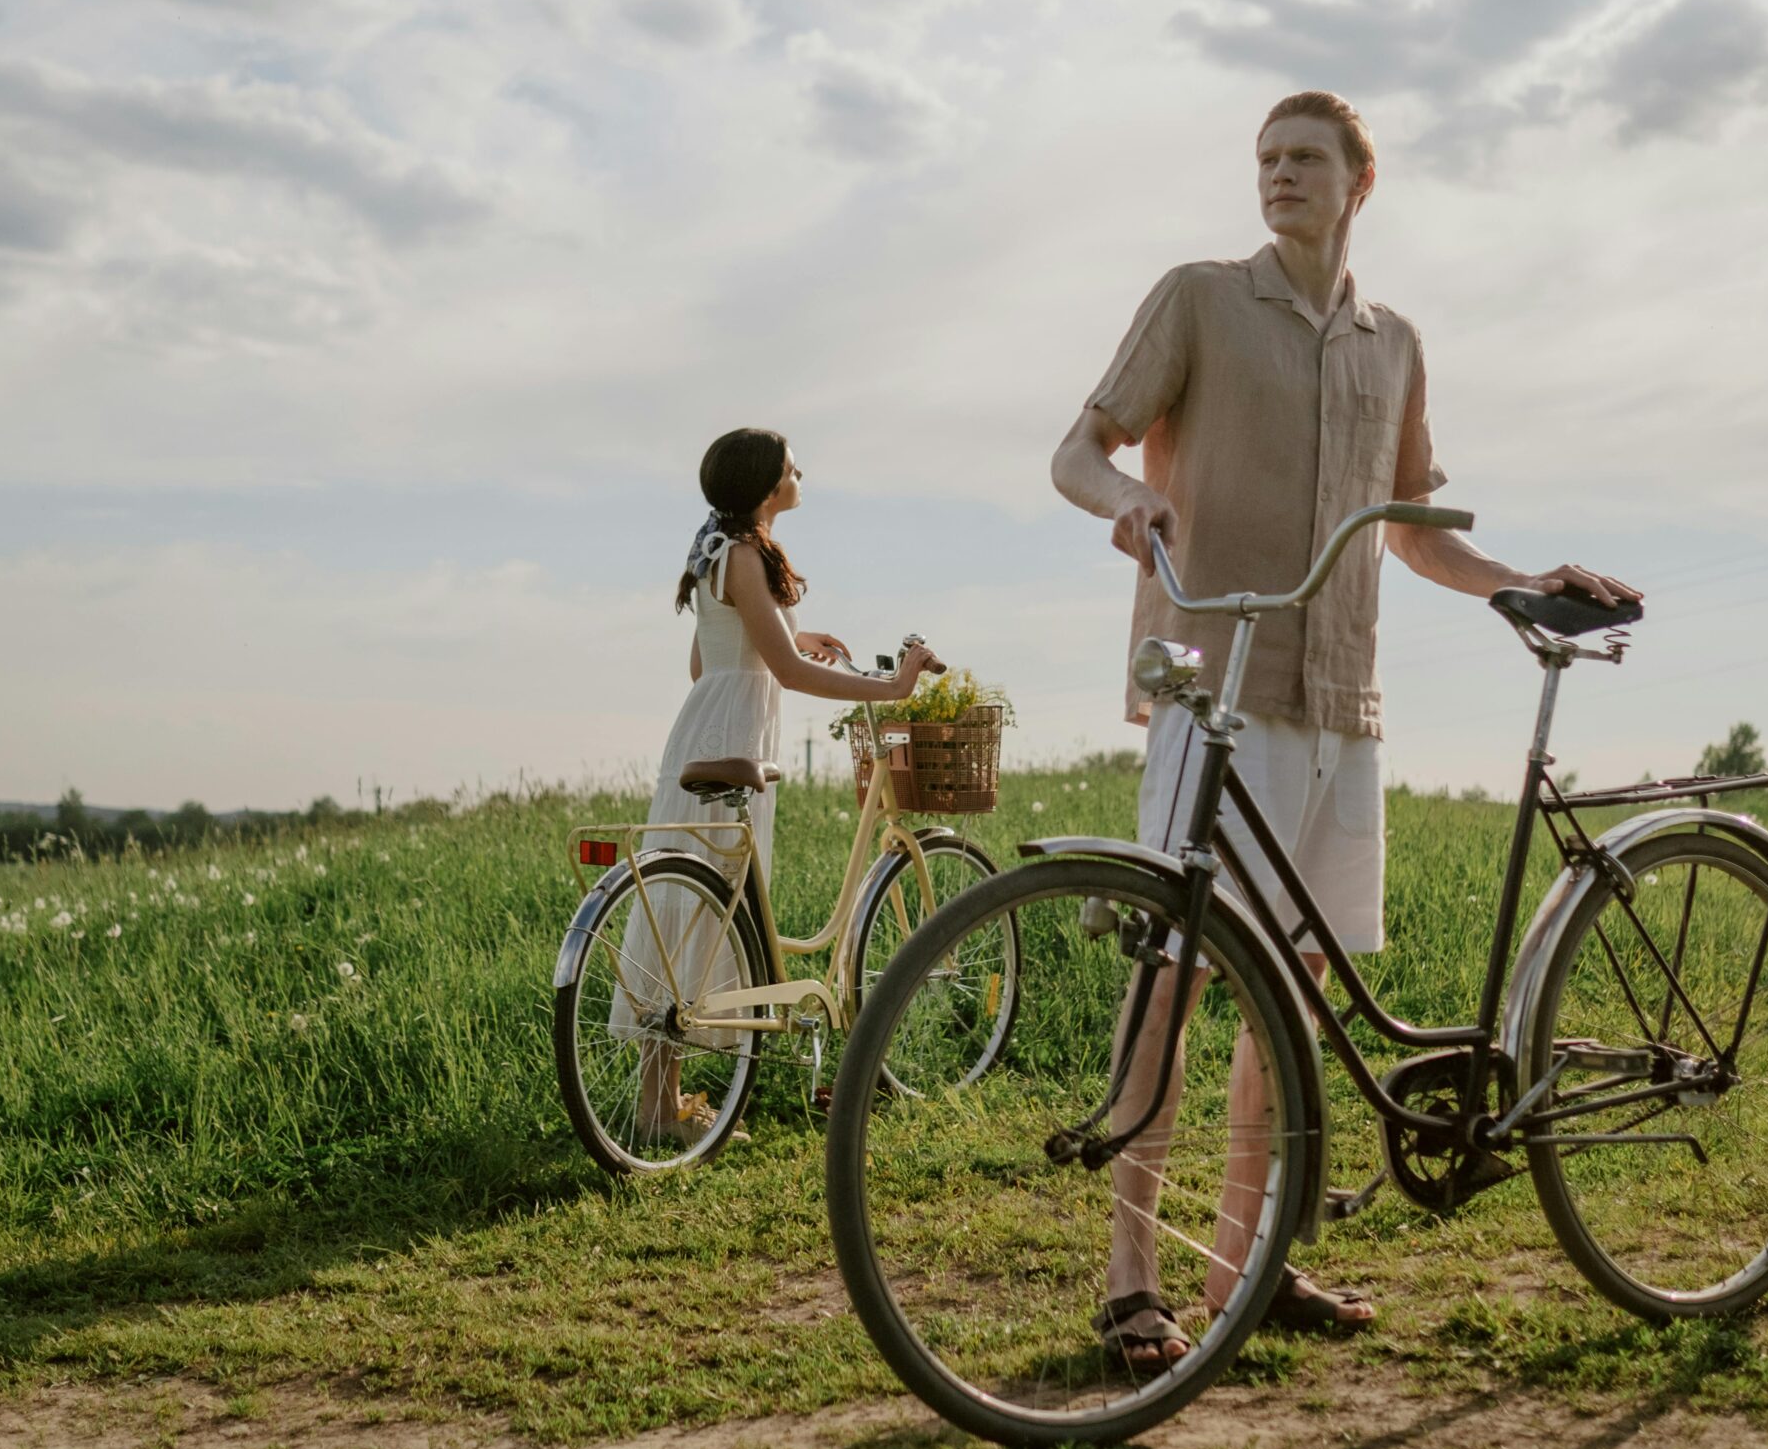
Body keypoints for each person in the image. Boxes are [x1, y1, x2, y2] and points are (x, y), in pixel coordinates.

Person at [1050, 90, 1641, 1367]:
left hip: (1342, 703)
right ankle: (1131, 1278)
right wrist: (1125, 504)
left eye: (1304, 159)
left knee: (1297, 999)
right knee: (1175, 983)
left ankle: (1247, 1266)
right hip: (1216, 693)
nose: (1278, 176)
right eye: (1265, 159)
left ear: (1359, 181)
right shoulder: (1197, 300)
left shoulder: (1394, 342)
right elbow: (1078, 449)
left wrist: (1524, 580)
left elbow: (1419, 532)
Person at [619, 427, 939, 1144]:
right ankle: (658, 1103)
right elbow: (787, 672)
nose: (802, 472)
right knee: (707, 906)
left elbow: (708, 661)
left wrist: (790, 636)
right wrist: (889, 685)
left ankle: (657, 1100)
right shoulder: (743, 555)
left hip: (704, 727)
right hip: (736, 737)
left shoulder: (714, 554)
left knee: (687, 905)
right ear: (767, 487)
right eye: (794, 465)